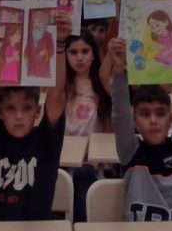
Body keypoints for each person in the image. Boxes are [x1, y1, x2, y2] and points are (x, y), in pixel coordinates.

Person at [0, 11, 71, 221]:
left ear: (37, 111)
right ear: (0, 111)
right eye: (10, 108)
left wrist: (60, 44)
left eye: (26, 108)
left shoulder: (46, 141)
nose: (18, 116)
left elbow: (56, 98)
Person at [108, 32, 172, 221]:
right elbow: (119, 114)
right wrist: (118, 68)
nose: (153, 120)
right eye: (144, 114)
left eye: (160, 113)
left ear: (171, 119)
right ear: (134, 121)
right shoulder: (130, 152)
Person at [64, 31, 112, 221]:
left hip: (93, 162)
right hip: (65, 159)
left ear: (93, 54)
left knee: (83, 183)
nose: (80, 58)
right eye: (73, 52)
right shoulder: (61, 84)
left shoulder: (102, 84)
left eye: (85, 51)